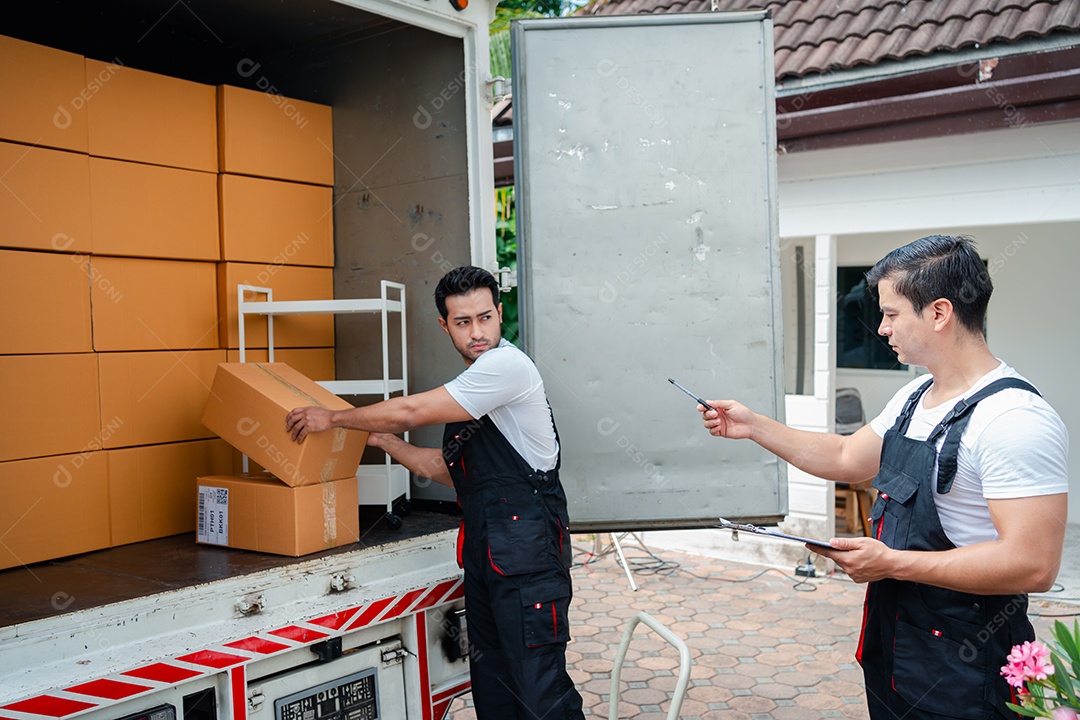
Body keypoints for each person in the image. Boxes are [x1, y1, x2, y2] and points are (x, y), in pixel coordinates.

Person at [700, 235, 1068, 720]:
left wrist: (892, 563)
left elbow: (1033, 565)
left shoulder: (1013, 419)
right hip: (898, 644)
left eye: (892, 314)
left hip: (967, 666)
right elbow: (849, 456)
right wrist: (753, 427)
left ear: (938, 313)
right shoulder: (916, 395)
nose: (880, 328)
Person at [286, 266, 585, 720]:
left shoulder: (506, 367)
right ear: (445, 326)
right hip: (490, 558)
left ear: (500, 314)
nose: (477, 332)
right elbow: (454, 472)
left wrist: (333, 418)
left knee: (541, 693)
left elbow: (410, 409)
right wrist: (388, 444)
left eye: (485, 318)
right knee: (497, 691)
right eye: (463, 322)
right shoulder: (473, 387)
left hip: (529, 561)